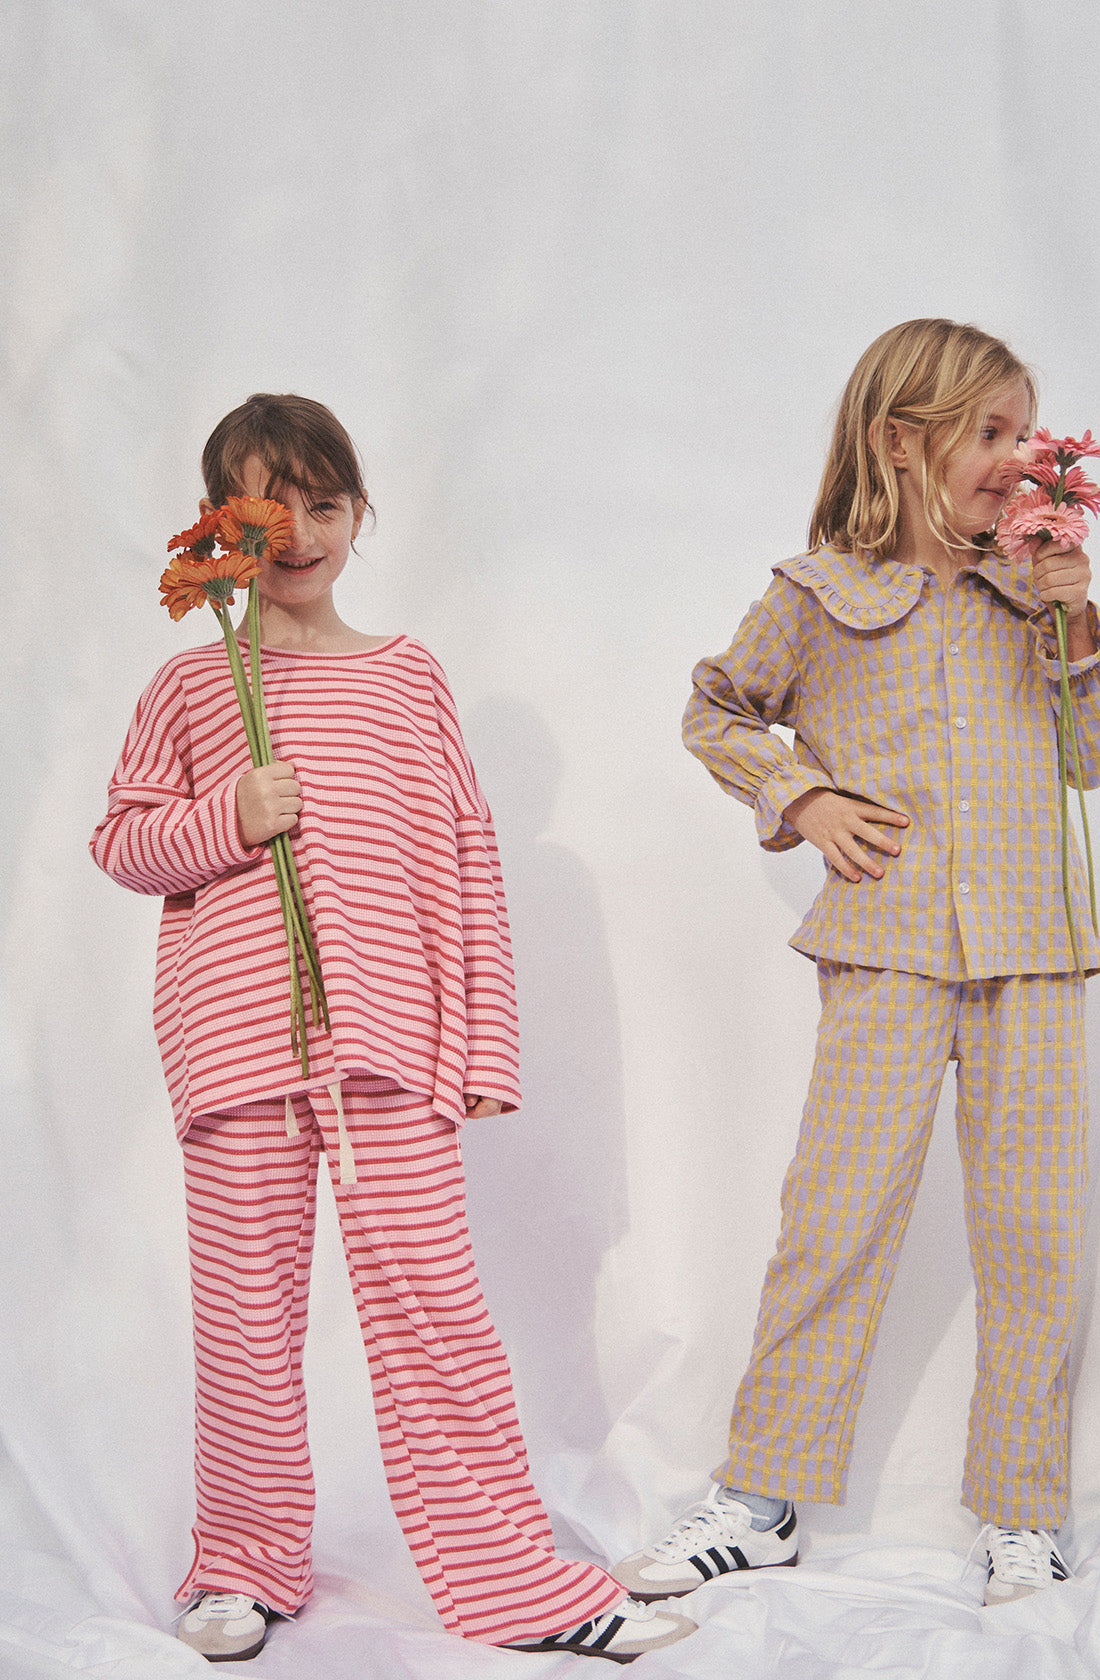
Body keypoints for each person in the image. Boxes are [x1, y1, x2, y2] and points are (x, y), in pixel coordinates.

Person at [91, 393, 695, 1664]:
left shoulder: (409, 677)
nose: (297, 532)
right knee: (246, 1321)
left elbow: (465, 864)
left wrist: (480, 1051)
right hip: (234, 1048)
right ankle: (243, 1563)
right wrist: (229, 821)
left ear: (360, 514)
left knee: (434, 1315)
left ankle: (512, 1582)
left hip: (389, 1050)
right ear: (219, 529)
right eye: (264, 508)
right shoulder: (196, 683)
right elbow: (123, 841)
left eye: (321, 503)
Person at [616, 319, 1099, 1609]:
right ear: (900, 440)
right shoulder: (817, 594)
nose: (1014, 458)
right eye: (985, 434)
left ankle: (1023, 1510)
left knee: (1038, 1237)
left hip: (1038, 957)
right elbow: (713, 707)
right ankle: (759, 1496)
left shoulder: (1036, 591)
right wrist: (803, 795)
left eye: (1020, 432)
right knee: (832, 1222)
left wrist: (1080, 627)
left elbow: (1088, 757)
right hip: (883, 949)